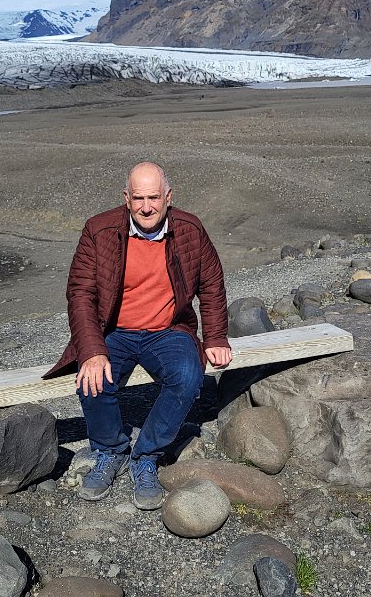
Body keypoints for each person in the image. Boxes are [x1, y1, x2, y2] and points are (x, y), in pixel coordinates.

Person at [44, 161, 232, 509]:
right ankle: (110, 450)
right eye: (139, 198)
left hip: (168, 329)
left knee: (189, 376)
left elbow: (211, 284)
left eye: (155, 198)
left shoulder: (190, 229)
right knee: (92, 378)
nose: (147, 207)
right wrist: (91, 349)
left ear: (168, 197)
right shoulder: (98, 230)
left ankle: (146, 455)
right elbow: (80, 293)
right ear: (126, 198)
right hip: (113, 330)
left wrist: (217, 337)